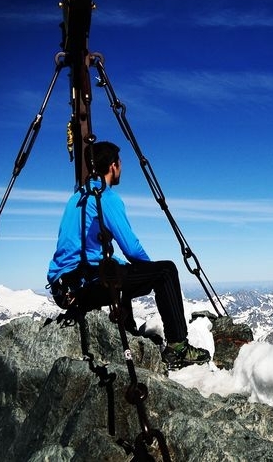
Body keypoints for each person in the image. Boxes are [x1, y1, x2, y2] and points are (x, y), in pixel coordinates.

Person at [47, 140, 210, 367]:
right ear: (113, 166)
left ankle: (128, 328)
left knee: (118, 267)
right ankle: (178, 347)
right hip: (86, 283)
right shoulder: (105, 197)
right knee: (166, 271)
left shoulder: (77, 198)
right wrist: (151, 271)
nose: (121, 168)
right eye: (120, 163)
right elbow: (132, 249)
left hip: (64, 288)